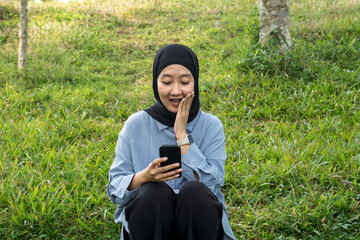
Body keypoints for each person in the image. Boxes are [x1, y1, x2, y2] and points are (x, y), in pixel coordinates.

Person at [107, 44, 236, 240]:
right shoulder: (136, 124)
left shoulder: (211, 125)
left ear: (195, 83)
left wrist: (182, 136)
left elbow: (213, 183)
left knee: (196, 192)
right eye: (166, 82)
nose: (176, 91)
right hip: (149, 219)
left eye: (184, 82)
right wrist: (145, 177)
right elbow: (115, 189)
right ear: (155, 83)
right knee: (152, 192)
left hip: (198, 222)